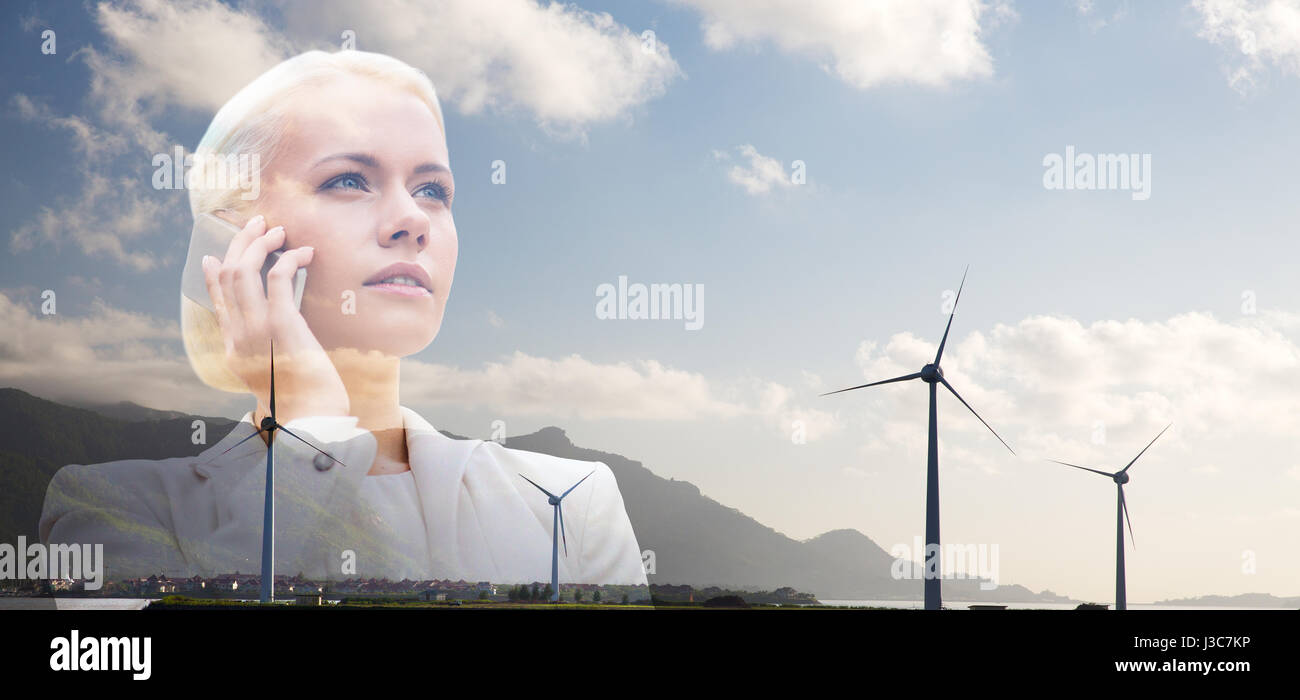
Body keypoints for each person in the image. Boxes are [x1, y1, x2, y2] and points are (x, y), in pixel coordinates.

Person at [39, 49, 648, 591]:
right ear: (230, 243)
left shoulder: (572, 503)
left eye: (433, 189)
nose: (413, 220)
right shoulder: (114, 506)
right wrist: (309, 424)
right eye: (350, 180)